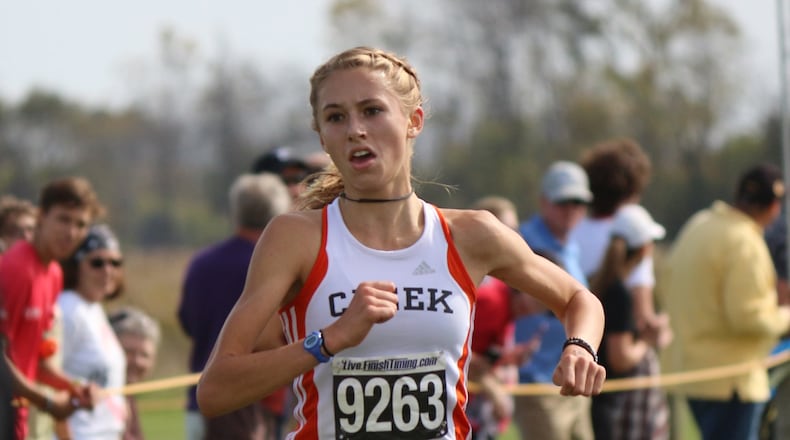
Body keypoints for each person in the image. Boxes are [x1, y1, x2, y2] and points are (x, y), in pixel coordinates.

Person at [196, 46, 606, 440]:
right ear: (322, 137)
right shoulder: (295, 238)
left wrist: (580, 348)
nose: (355, 129)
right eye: (336, 117)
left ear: (414, 121)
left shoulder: (470, 235)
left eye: (372, 111)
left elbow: (578, 300)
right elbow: (215, 390)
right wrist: (328, 340)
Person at [662, 163, 790, 440]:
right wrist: (787, 316)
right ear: (774, 208)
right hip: (732, 380)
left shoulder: (699, 224)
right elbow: (748, 317)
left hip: (692, 372)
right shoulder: (744, 242)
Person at [178, 172, 292, 440]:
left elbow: (187, 322)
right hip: (249, 406)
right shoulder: (275, 265)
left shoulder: (201, 262)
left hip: (199, 400)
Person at [0, 176, 102, 439]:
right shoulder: (14, 269)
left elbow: (35, 361)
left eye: (80, 224)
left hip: (15, 417)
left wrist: (74, 387)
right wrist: (46, 402)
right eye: (63, 219)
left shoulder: (54, 273)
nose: (71, 233)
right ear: (41, 216)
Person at [515, 160, 595, 440]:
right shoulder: (521, 244)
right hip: (537, 383)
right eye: (563, 201)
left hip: (573, 380)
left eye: (578, 202)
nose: (571, 210)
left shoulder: (570, 246)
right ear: (544, 201)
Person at [570, 138, 671, 352]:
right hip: (623, 358)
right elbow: (644, 317)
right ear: (633, 189)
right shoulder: (634, 231)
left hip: (581, 348)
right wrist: (661, 332)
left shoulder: (572, 231)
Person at [589, 204, 670, 439]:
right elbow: (620, 358)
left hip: (598, 401)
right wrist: (646, 341)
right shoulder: (619, 294)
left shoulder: (600, 282)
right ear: (645, 249)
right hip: (614, 404)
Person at [465, 196, 542, 439]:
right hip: (463, 407)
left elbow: (482, 350)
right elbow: (454, 349)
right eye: (506, 230)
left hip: (478, 410)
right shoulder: (487, 293)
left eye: (516, 230)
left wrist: (507, 358)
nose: (515, 238)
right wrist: (492, 386)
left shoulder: (502, 287)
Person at [58, 223, 128, 439]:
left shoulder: (93, 308)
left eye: (115, 263)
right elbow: (47, 383)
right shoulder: (67, 310)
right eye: (97, 262)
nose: (108, 270)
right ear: (76, 266)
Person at [109, 306, 161, 440]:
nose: (137, 361)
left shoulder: (128, 396)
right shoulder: (101, 397)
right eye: (128, 352)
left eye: (144, 355)